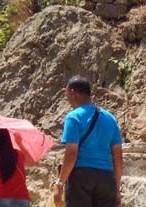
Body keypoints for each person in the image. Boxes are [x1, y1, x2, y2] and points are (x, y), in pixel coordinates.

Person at [55, 75, 123, 207]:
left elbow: (71, 155)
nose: (67, 97)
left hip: (81, 177)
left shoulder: (73, 117)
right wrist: (117, 188)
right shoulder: (110, 119)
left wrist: (60, 183)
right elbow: (118, 157)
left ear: (72, 93)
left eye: (66, 93)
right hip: (106, 178)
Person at [0, 128, 36, 207]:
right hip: (21, 199)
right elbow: (31, 162)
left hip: (2, 199)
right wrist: (19, 143)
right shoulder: (17, 154)